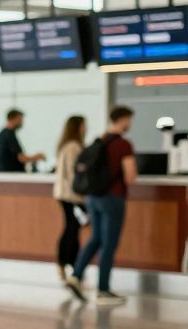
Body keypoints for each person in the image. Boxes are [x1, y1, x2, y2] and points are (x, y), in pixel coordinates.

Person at [66, 106, 137, 306]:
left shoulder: (100, 140)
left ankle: (76, 275)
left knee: (95, 238)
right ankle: (103, 290)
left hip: (93, 197)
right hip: (113, 199)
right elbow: (130, 176)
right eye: (129, 120)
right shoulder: (123, 144)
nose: (130, 124)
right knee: (109, 244)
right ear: (123, 120)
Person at [52, 115, 86, 281]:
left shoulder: (66, 145)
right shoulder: (73, 146)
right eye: (84, 125)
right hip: (71, 195)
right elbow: (74, 173)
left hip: (65, 194)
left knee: (72, 228)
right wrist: (83, 192)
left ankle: (68, 263)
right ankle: (69, 263)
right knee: (72, 229)